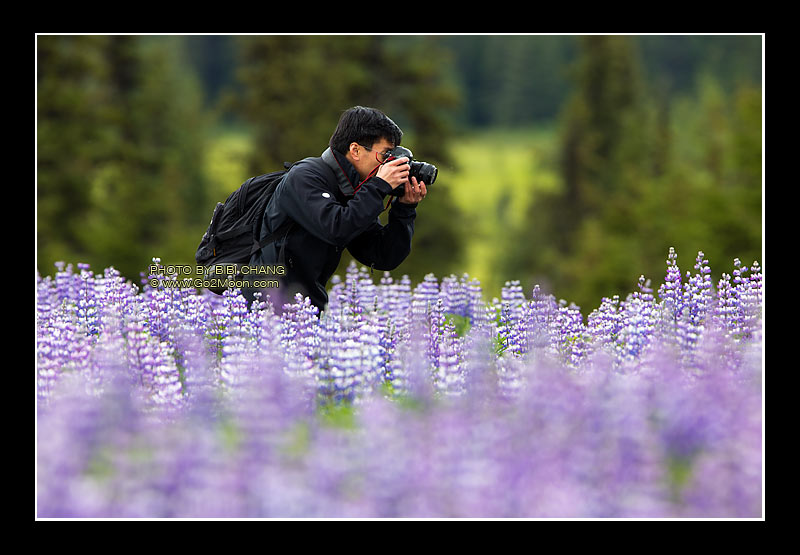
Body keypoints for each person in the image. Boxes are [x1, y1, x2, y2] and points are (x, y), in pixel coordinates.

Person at [243, 106, 427, 314]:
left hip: (307, 309)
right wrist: (378, 185)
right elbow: (336, 228)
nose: (390, 164)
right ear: (355, 150)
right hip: (266, 305)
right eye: (385, 155)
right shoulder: (305, 178)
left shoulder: (352, 191)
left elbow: (382, 255)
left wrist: (404, 209)